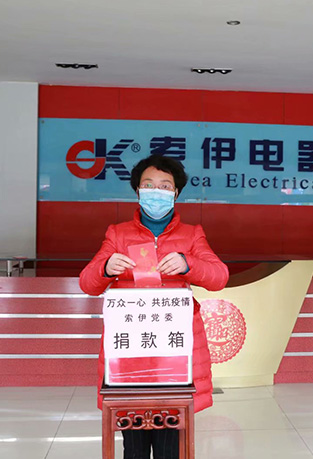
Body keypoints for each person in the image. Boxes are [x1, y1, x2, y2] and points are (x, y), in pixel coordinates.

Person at [79, 154, 229, 459]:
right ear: (137, 191)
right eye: (148, 185)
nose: (156, 192)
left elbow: (219, 277)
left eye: (164, 186)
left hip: (175, 354)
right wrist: (106, 268)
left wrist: (189, 264)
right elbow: (87, 283)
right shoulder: (118, 234)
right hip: (130, 354)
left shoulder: (192, 234)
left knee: (170, 445)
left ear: (176, 193)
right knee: (134, 445)